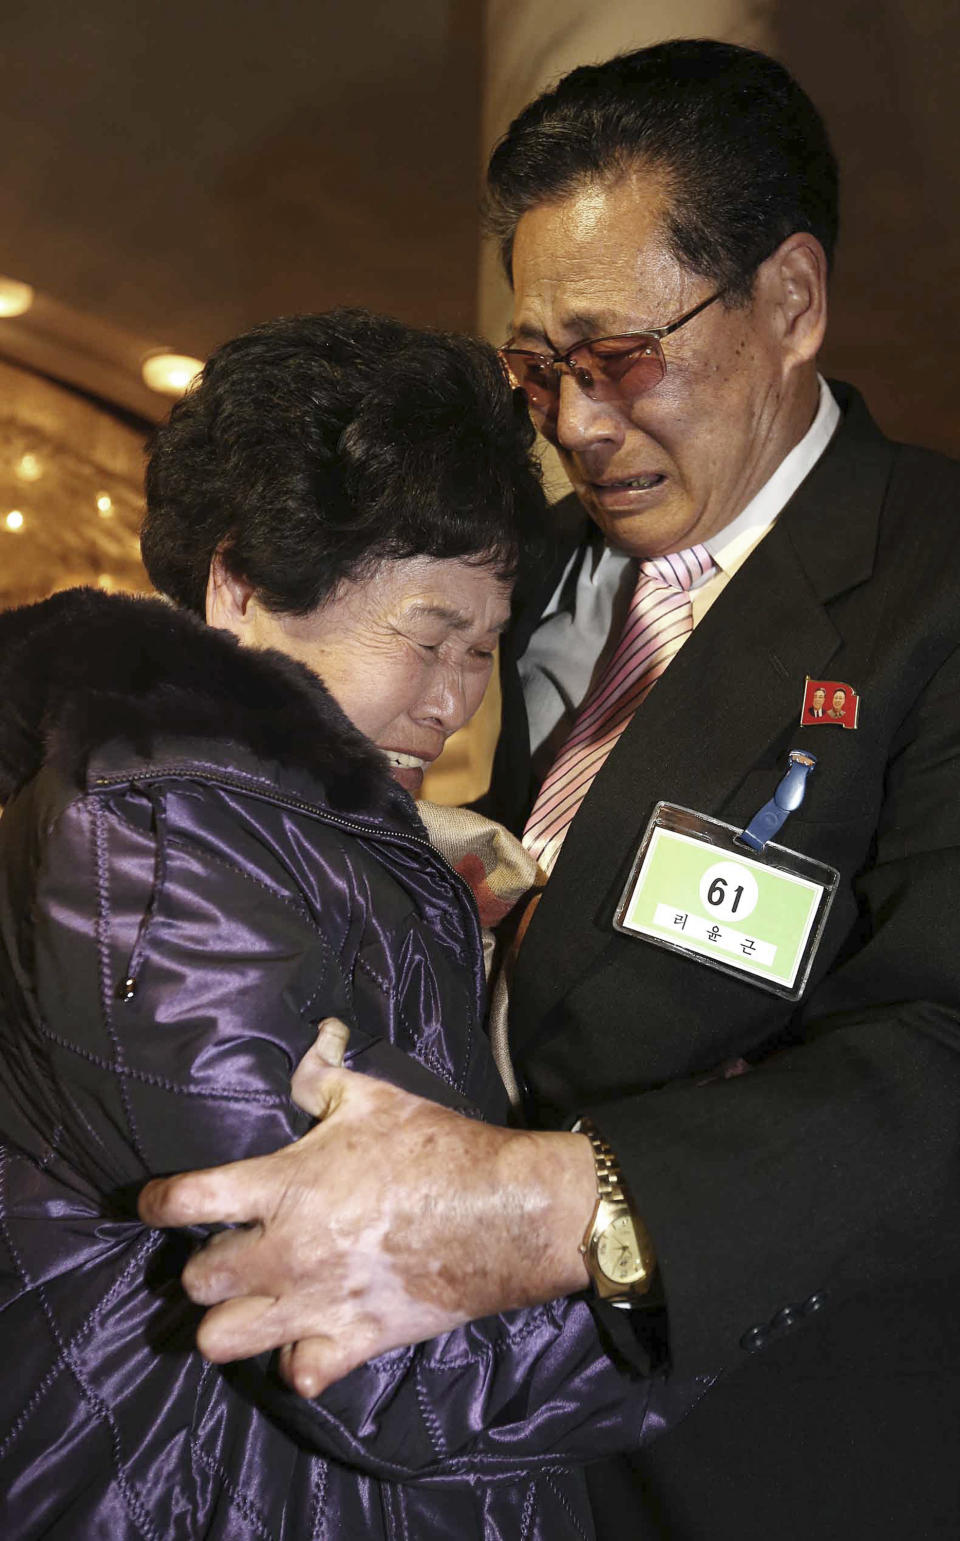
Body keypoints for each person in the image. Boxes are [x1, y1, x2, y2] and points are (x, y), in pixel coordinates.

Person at [138, 43, 960, 1539]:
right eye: (538, 368)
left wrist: (542, 1206)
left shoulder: (932, 582)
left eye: (620, 356)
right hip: (491, 1453)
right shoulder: (550, 566)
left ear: (789, 301)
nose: (576, 424)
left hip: (772, 1452)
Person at [0, 310, 696, 1541]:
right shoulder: (159, 841)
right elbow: (378, 1355)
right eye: (426, 636)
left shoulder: (311, 836)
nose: (451, 699)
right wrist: (727, 1250)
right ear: (242, 586)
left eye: (483, 648)